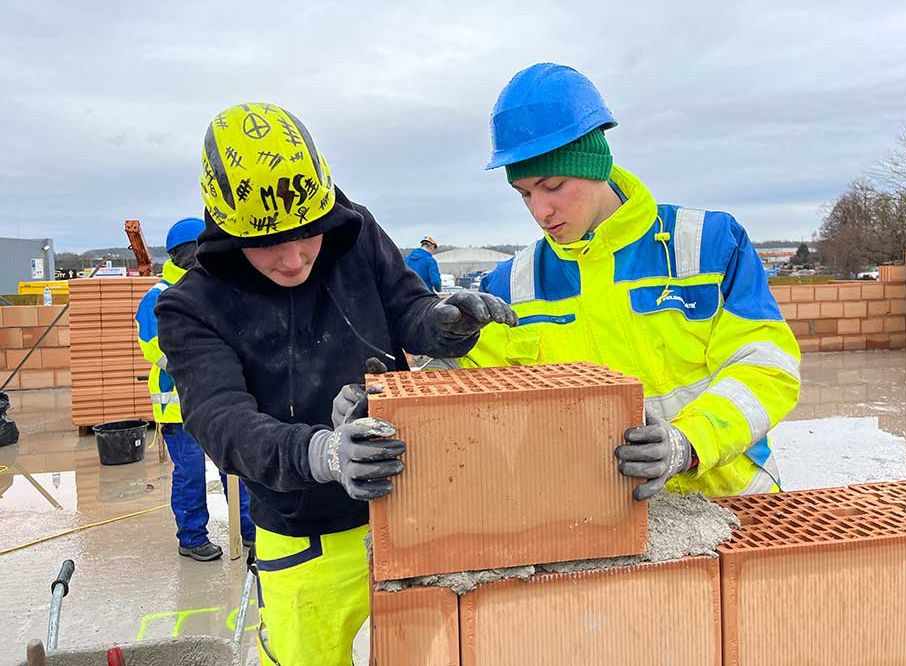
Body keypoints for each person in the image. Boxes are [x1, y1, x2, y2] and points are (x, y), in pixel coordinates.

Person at [155, 102, 516, 664]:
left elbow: (407, 307)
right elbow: (220, 419)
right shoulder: (192, 306)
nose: (295, 258)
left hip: (408, 508)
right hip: (303, 536)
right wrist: (323, 453)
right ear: (227, 230)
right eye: (269, 243)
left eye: (308, 235)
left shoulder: (355, 234)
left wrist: (445, 324)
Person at [441, 63, 801, 500]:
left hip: (733, 506)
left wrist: (690, 443)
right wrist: (400, 382)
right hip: (599, 523)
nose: (540, 211)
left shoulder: (708, 245)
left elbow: (766, 366)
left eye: (553, 185)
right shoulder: (511, 285)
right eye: (524, 194)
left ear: (595, 164)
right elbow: (458, 393)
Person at [135, 218, 255, 561]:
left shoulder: (213, 289)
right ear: (180, 254)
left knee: (233, 469)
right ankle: (191, 538)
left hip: (216, 402)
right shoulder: (158, 296)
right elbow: (153, 345)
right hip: (177, 405)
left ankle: (248, 528)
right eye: (196, 251)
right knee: (189, 474)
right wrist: (201, 364)